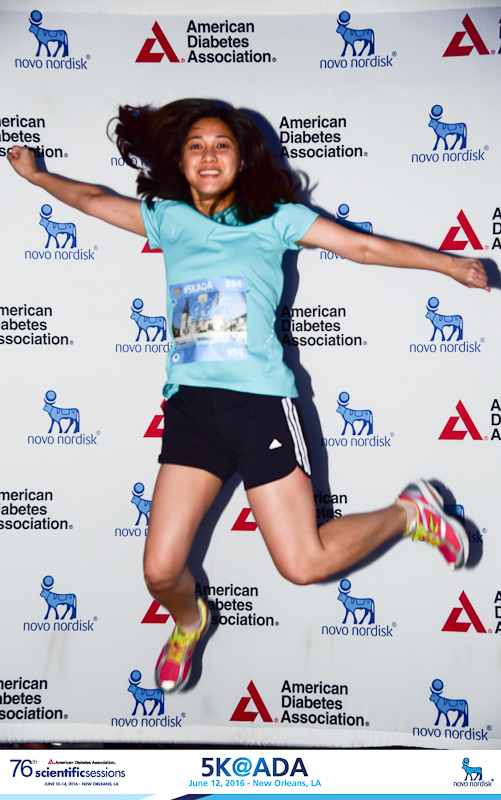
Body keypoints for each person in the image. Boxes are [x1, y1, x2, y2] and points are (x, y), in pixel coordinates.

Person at [8, 99, 489, 694]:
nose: (209, 156)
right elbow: (90, 199)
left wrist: (448, 266)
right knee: (160, 571)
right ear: (180, 161)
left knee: (304, 565)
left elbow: (361, 247)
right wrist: (37, 177)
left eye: (222, 145)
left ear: (241, 159)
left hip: (260, 407)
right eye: (196, 146)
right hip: (191, 409)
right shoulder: (169, 218)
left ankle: (408, 513)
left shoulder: (276, 218)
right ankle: (190, 621)